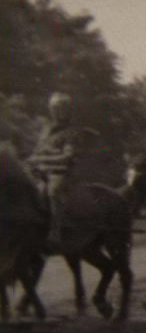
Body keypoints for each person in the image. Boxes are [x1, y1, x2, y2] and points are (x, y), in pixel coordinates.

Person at [28, 92, 79, 246]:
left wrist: (42, 159)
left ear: (67, 109)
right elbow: (38, 150)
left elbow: (67, 157)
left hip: (60, 172)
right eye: (53, 107)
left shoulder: (71, 131)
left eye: (59, 107)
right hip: (40, 171)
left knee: (52, 191)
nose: (55, 110)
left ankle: (55, 231)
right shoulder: (46, 129)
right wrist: (32, 158)